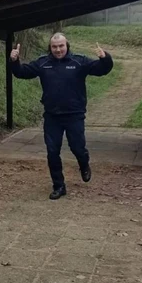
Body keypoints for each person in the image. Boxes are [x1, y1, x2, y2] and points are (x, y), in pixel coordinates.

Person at [10, 32, 113, 200]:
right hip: (52, 116)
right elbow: (22, 72)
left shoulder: (79, 61)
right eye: (54, 47)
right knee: (52, 152)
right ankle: (59, 186)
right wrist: (14, 61)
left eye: (61, 46)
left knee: (77, 147)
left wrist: (105, 58)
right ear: (50, 48)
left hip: (75, 115)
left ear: (67, 46)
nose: (58, 50)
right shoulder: (43, 63)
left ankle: (84, 163)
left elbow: (102, 70)